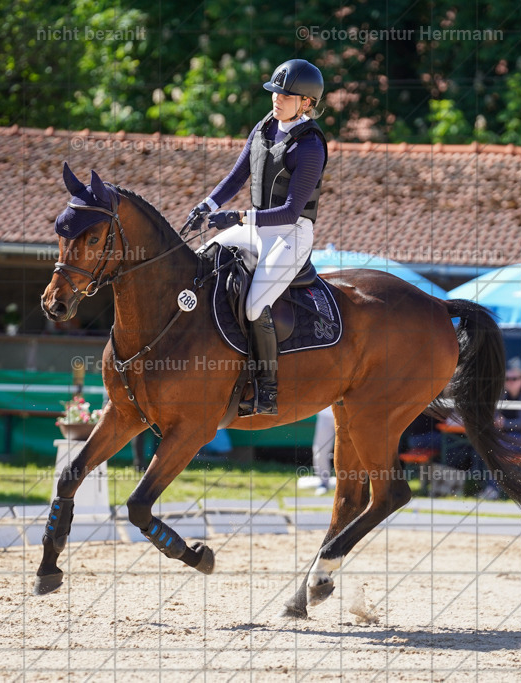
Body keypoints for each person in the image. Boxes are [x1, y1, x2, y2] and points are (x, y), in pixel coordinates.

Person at [186, 59, 328, 417]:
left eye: (286, 95)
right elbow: (236, 177)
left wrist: (235, 216)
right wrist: (206, 205)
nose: (277, 99)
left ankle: (267, 392)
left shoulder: (310, 146)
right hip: (256, 226)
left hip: (290, 235)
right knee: (201, 257)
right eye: (275, 92)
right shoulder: (264, 127)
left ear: (306, 103)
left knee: (253, 305)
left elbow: (291, 211)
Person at [478, 358, 521, 500]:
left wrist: (504, 423)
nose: (510, 381)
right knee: (486, 445)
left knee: (495, 447)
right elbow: (495, 415)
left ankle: (494, 489)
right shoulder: (505, 396)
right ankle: (490, 486)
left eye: (514, 378)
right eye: (507, 378)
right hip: (515, 439)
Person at [312, 406, 335, 495]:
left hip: (345, 413)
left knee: (348, 451)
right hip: (325, 414)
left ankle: (350, 484)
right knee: (320, 452)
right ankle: (323, 483)